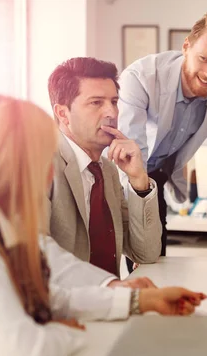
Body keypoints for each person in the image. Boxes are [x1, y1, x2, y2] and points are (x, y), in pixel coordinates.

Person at [0, 95, 207, 356]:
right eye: (43, 158)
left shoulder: (0, 224)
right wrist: (68, 330)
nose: (48, 172)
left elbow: (49, 296)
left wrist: (140, 301)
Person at [118, 10, 207, 255]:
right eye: (203, 59)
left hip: (158, 175)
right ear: (186, 46)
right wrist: (139, 233)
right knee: (137, 259)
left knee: (157, 256)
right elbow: (133, 159)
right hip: (122, 174)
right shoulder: (142, 78)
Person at [48, 57, 161, 280]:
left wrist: (139, 179)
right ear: (62, 113)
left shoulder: (107, 170)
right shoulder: (42, 165)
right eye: (96, 103)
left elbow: (145, 253)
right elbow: (37, 261)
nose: (111, 113)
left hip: (108, 306)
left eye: (114, 102)